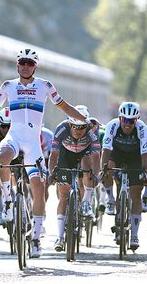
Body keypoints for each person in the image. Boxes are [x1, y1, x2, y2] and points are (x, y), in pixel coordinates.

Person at [0, 48, 88, 258]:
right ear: (17, 65)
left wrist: (84, 120)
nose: (25, 66)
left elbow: (65, 106)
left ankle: (36, 240)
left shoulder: (45, 85)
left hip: (33, 144)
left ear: (35, 66)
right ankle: (7, 203)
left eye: (30, 63)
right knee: (2, 158)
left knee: (38, 191)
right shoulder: (8, 85)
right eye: (22, 62)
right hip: (14, 137)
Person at [100, 102, 147, 250]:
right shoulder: (112, 125)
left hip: (135, 156)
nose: (128, 124)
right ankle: (110, 199)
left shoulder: (142, 128)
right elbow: (106, 149)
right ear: (120, 118)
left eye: (132, 121)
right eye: (125, 120)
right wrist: (104, 169)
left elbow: (146, 152)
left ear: (137, 120)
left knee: (135, 194)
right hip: (117, 153)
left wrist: (145, 172)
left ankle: (134, 235)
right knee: (107, 168)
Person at [48, 105, 101, 252]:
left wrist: (96, 175)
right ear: (70, 124)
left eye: (82, 127)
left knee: (87, 165)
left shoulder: (91, 131)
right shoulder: (62, 129)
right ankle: (59, 237)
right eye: (76, 128)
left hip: (85, 153)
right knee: (63, 196)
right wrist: (51, 173)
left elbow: (97, 157)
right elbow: (53, 155)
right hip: (66, 154)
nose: (79, 131)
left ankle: (85, 203)